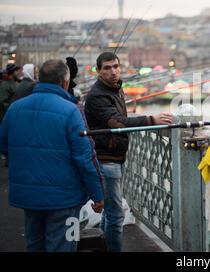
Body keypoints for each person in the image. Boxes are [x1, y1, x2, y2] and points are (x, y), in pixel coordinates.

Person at [0, 59, 104, 252]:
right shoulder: (72, 111)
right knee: (66, 245)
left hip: (29, 197)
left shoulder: (15, 109)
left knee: (34, 245)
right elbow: (86, 158)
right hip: (66, 198)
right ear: (65, 82)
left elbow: (4, 145)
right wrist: (98, 195)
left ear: (39, 79)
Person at [84, 51, 172, 252]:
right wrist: (151, 120)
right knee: (115, 216)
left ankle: (101, 248)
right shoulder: (97, 95)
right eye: (107, 68)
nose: (113, 71)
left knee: (109, 212)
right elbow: (117, 122)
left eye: (116, 66)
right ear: (98, 71)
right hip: (107, 160)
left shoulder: (115, 89)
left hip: (116, 157)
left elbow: (118, 117)